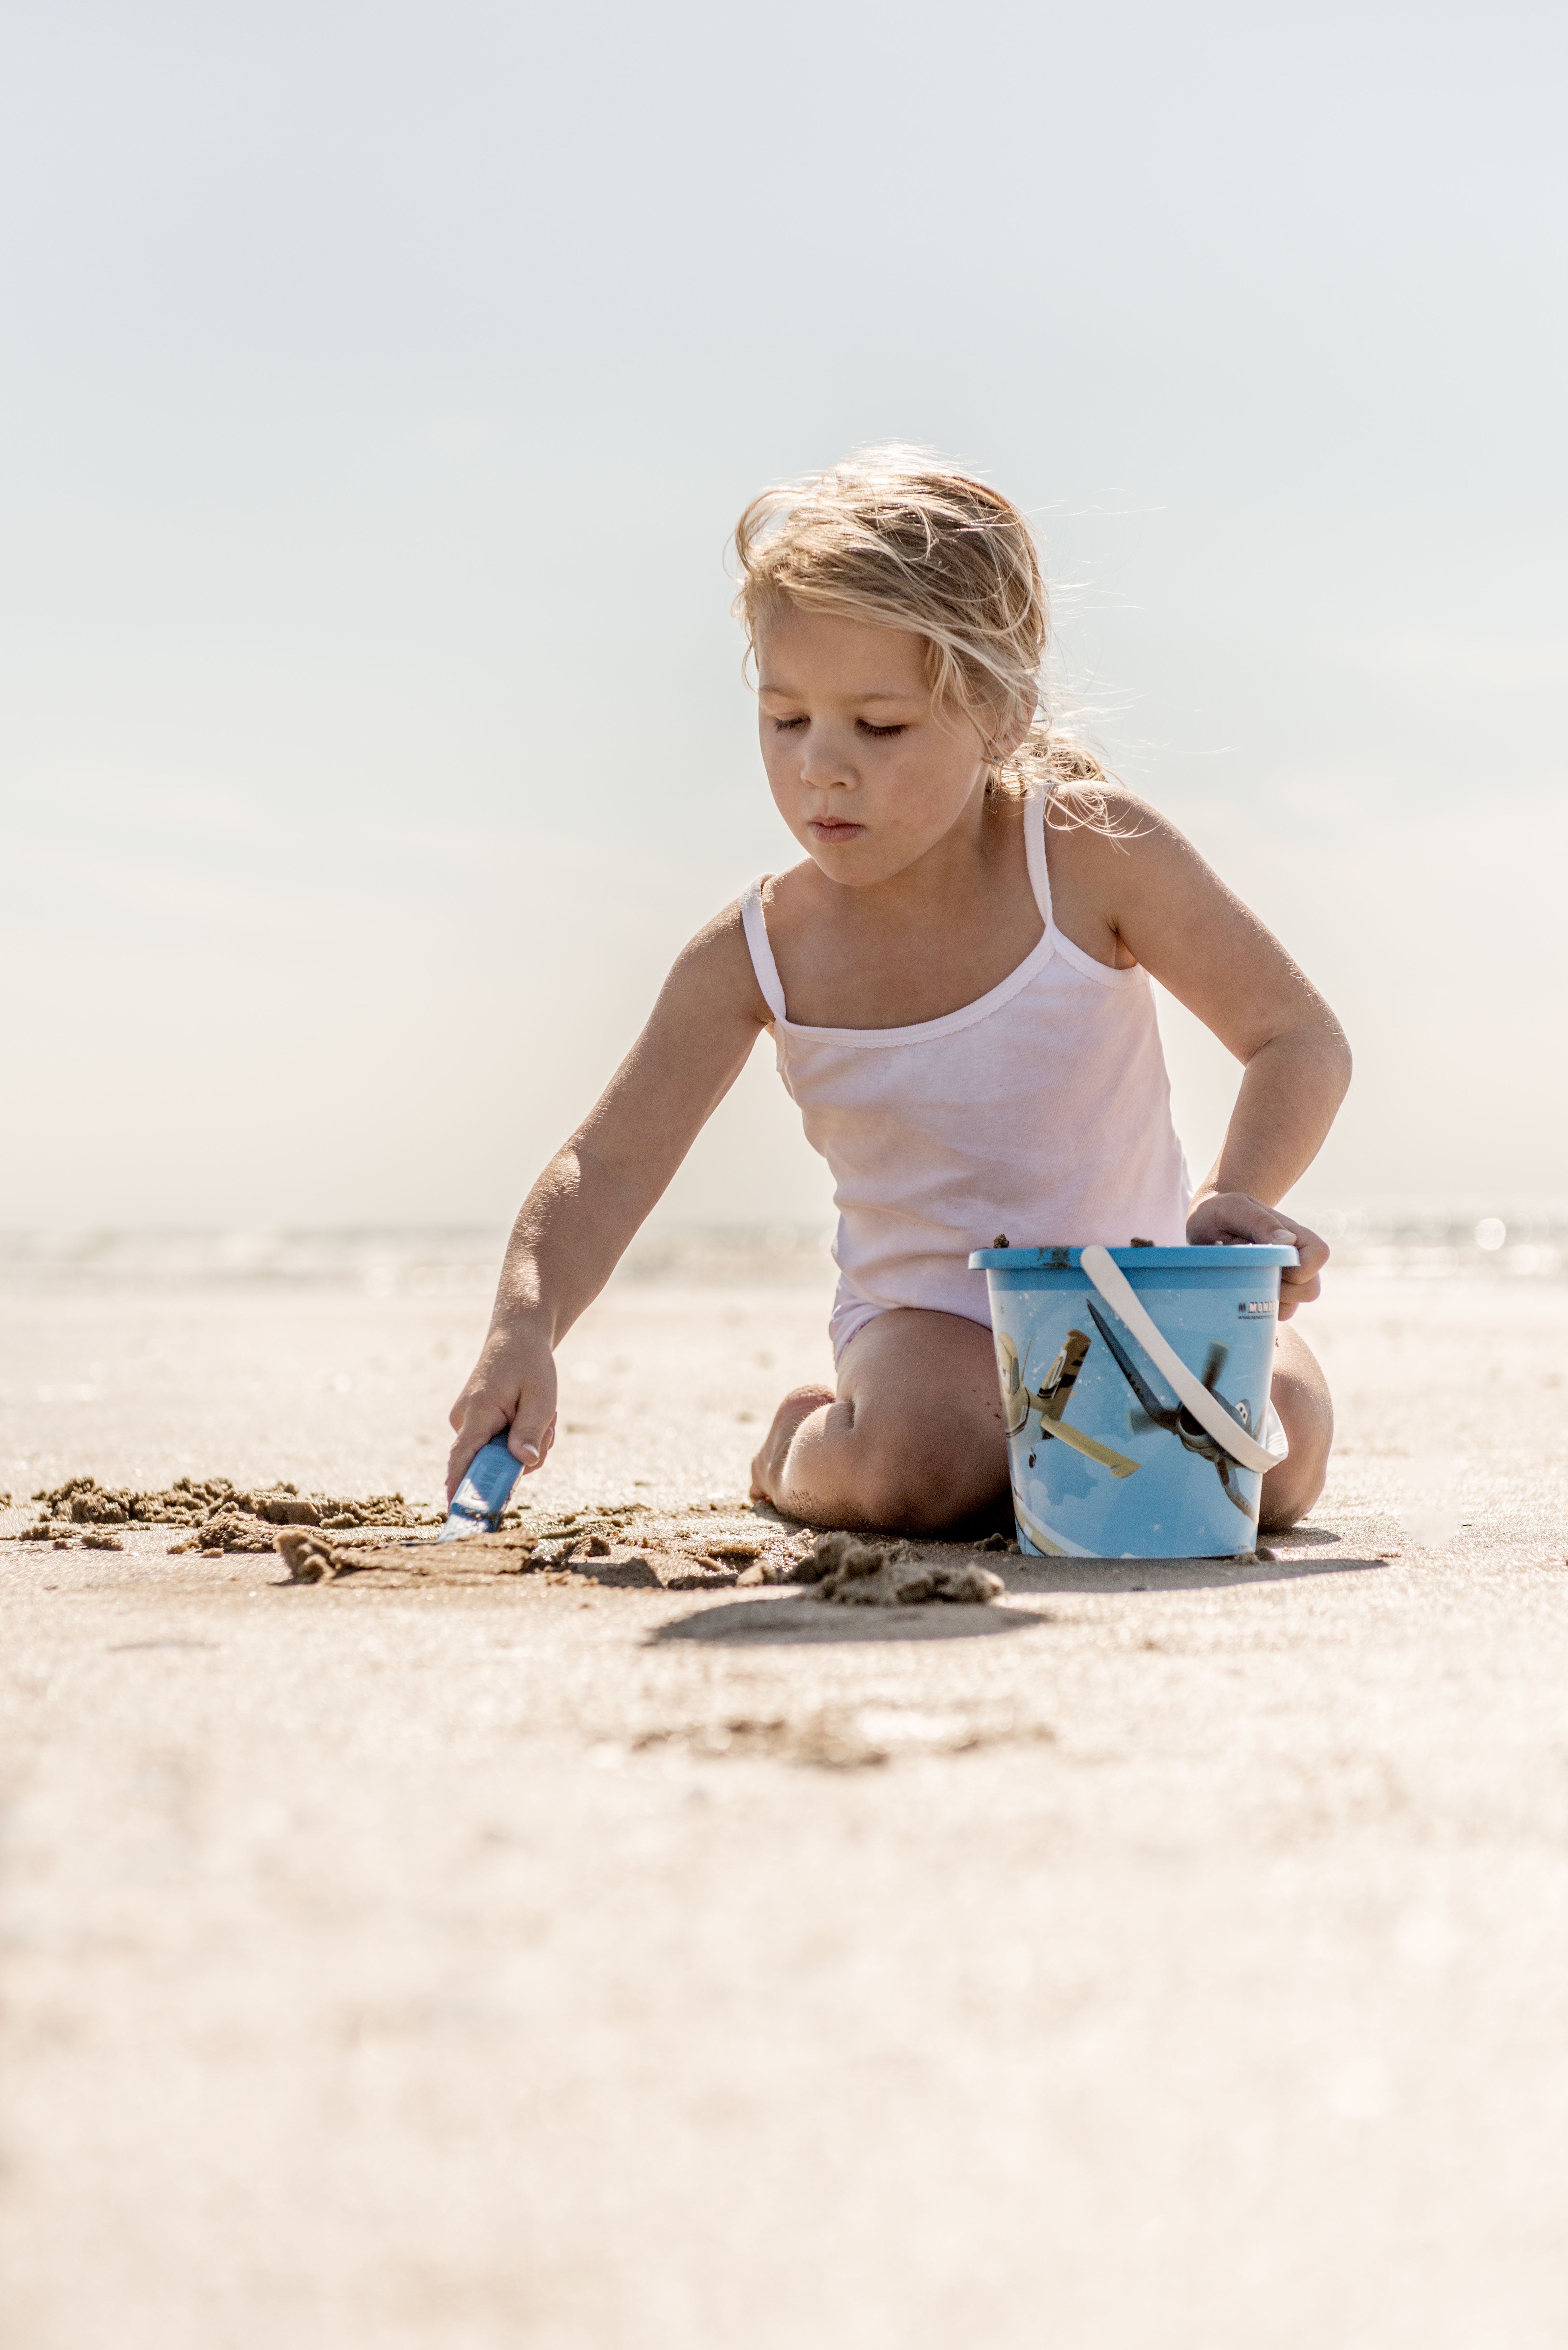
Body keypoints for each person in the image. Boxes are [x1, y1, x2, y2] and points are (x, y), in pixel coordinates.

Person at [448, 451, 1348, 1537]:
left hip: (1142, 1297)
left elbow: (1295, 1036)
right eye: (786, 721)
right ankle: (800, 1448)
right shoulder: (761, 950)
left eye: (878, 727)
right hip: (931, 1326)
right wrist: (525, 1327)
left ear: (1002, 713)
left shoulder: (1089, 855)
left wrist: (1232, 1200)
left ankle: (1055, 1459)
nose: (823, 767)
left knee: (1281, 1461)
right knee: (927, 1462)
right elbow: (609, 1160)